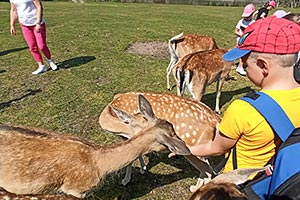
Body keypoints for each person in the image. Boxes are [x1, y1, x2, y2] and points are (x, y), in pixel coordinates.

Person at [169, 16, 300, 175]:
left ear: (263, 65)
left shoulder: (243, 110)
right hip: (278, 178)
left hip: (241, 183)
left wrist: (183, 148)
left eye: (244, 65)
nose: (243, 69)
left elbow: (216, 148)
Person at [10, 0, 58, 75]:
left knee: (42, 46)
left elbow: (39, 6)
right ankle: (41, 66)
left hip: (37, 23)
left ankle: (50, 60)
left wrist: (38, 23)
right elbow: (13, 10)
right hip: (25, 24)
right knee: (32, 46)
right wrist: (12, 25)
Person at [234, 3, 255, 76]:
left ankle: (241, 66)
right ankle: (240, 67)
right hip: (240, 41)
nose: (246, 18)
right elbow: (235, 31)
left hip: (248, 42)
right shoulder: (241, 21)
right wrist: (242, 35)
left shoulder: (253, 23)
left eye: (248, 16)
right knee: (241, 54)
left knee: (245, 54)